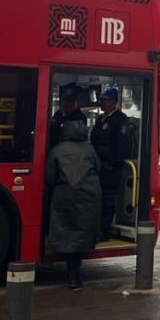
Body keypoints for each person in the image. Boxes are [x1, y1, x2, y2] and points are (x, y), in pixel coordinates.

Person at [45, 121, 102, 290]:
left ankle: (73, 275)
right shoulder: (89, 149)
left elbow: (49, 177)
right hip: (88, 196)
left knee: (66, 229)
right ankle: (75, 275)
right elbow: (98, 168)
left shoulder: (57, 150)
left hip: (63, 196)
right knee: (81, 230)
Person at [89, 86, 130, 237]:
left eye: (105, 101)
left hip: (111, 167)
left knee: (108, 199)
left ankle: (105, 230)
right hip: (98, 165)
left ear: (113, 102)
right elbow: (93, 140)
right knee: (97, 198)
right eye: (101, 101)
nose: (102, 104)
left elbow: (120, 146)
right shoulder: (101, 119)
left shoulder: (120, 120)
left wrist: (111, 162)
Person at [49, 83, 87, 149]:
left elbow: (76, 137)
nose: (67, 104)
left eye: (71, 101)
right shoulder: (59, 114)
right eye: (65, 100)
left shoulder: (80, 117)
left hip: (71, 150)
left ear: (75, 103)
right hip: (54, 147)